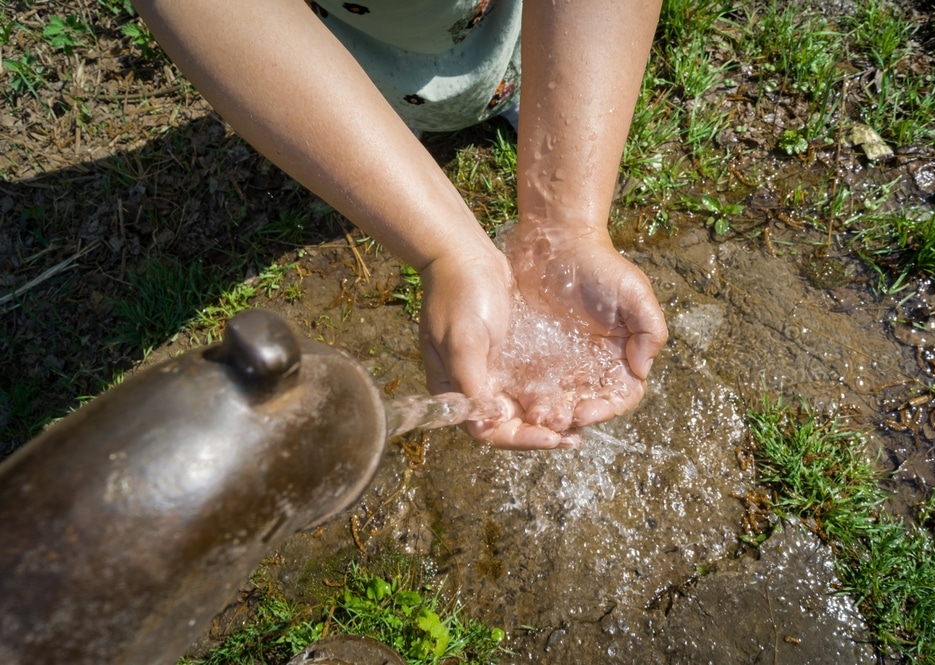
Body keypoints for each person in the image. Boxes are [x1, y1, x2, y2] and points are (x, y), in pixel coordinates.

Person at [132, 0, 669, 450]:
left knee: (493, 57)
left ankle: (505, 86)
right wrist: (451, 252)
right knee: (389, 73)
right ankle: (401, 116)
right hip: (338, 47)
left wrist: (565, 224)